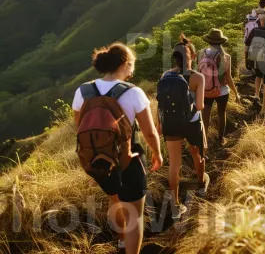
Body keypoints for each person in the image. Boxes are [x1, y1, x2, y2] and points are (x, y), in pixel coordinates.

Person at [72, 42, 163, 254]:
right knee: (135, 215)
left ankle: (122, 241)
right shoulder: (133, 92)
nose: (133, 70)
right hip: (127, 160)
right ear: (124, 64)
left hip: (97, 160)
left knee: (115, 199)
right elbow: (149, 133)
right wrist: (157, 153)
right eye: (132, 64)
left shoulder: (82, 91)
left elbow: (80, 127)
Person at [157, 35, 209, 220]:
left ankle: (175, 205)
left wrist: (159, 124)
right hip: (192, 121)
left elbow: (160, 104)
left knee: (174, 164)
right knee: (197, 153)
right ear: (192, 57)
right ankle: (201, 185)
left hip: (170, 123)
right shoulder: (197, 77)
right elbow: (201, 106)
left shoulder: (165, 76)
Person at [198, 29, 242, 146]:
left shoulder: (201, 53)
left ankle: (204, 142)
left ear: (209, 41)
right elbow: (228, 77)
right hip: (222, 91)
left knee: (205, 117)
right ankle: (221, 139)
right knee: (221, 114)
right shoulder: (226, 56)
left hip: (205, 90)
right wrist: (236, 93)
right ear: (221, 42)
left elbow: (199, 73)